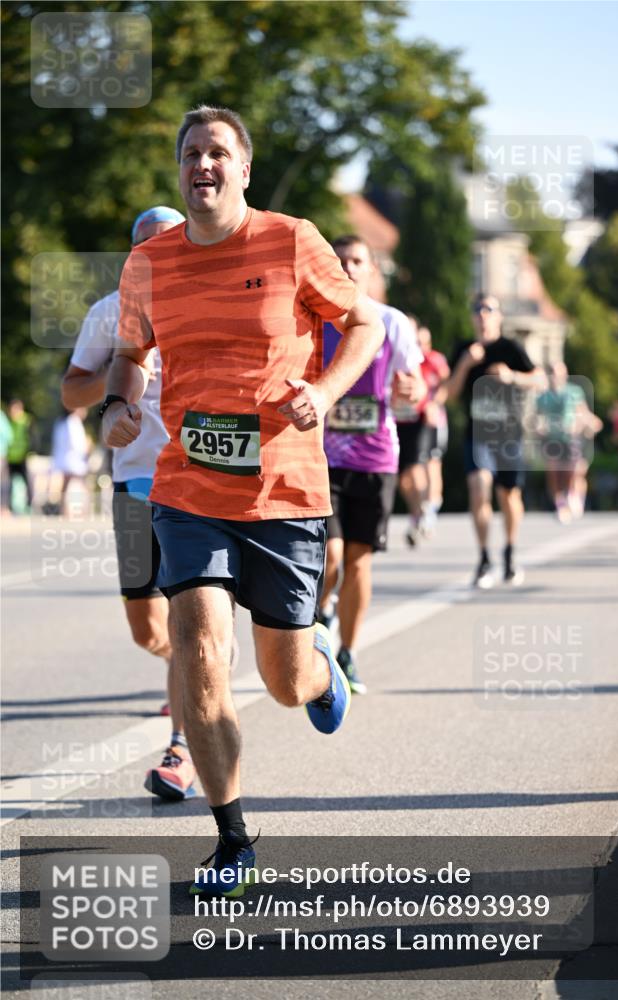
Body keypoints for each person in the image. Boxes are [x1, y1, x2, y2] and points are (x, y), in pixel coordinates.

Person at [101, 106, 385, 894]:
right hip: (187, 489)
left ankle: (323, 670)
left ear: (243, 168)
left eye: (217, 151)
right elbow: (130, 354)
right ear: (180, 168)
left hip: (285, 490)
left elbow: (363, 323)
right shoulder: (149, 263)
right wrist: (122, 402)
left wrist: (324, 392)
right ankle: (232, 838)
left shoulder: (292, 239)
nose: (204, 163)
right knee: (195, 645)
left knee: (283, 681)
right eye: (191, 152)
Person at [61, 205, 195, 801]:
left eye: (166, 243)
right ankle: (188, 671)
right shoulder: (109, 313)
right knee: (148, 630)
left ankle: (182, 745)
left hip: (197, 484)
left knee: (194, 624)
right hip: (135, 482)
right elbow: (71, 390)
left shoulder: (212, 304)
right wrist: (117, 385)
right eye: (143, 247)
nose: (154, 255)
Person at [318, 235, 425, 694]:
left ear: (370, 270)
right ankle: (321, 614)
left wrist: (411, 393)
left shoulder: (390, 322)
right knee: (331, 554)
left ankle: (348, 651)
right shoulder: (313, 317)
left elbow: (415, 385)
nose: (348, 267)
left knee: (359, 561)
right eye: (340, 260)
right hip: (319, 456)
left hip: (375, 457)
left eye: (356, 260)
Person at [439, 294, 545, 588]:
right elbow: (447, 395)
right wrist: (464, 364)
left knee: (509, 496)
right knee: (479, 487)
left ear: (498, 316)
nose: (483, 315)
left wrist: (512, 376)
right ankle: (484, 558)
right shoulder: (464, 349)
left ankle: (510, 552)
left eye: (489, 309)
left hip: (509, 433)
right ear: (472, 317)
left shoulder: (510, 348)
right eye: (478, 309)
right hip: (478, 433)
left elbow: (540, 379)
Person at [394, 324, 449, 545]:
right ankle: (417, 512)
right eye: (418, 343)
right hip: (402, 419)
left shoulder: (434, 360)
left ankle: (428, 511)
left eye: (425, 343)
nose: (422, 347)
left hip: (427, 420)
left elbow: (447, 383)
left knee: (428, 465)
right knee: (404, 474)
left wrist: (434, 404)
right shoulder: (401, 358)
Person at [536, 362, 600, 522]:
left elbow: (582, 412)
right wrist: (539, 426)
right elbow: (538, 418)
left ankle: (573, 495)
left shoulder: (573, 391)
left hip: (571, 438)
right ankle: (560, 504)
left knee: (573, 471)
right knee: (554, 472)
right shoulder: (542, 397)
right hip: (551, 439)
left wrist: (585, 423)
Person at [50, 407, 90, 516]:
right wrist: (87, 448)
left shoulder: (61, 421)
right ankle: (82, 510)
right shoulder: (73, 422)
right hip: (73, 460)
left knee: (66, 486)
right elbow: (77, 444)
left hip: (63, 459)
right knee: (81, 484)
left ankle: (64, 509)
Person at [6, 398, 34, 513]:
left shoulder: (26, 421)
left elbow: (32, 438)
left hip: (23, 457)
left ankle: (29, 505)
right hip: (11, 457)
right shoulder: (9, 422)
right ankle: (11, 507)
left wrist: (29, 452)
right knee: (10, 483)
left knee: (27, 481)